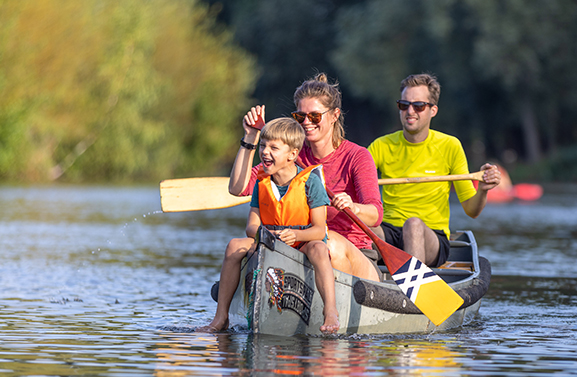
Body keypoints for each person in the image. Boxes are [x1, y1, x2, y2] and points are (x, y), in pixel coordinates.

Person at [229, 73, 383, 282]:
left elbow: (376, 215)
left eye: (315, 116)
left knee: (330, 244)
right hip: (303, 249)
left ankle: (333, 313)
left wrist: (353, 207)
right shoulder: (292, 156)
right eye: (301, 117)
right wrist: (249, 138)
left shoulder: (357, 156)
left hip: (353, 253)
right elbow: (239, 188)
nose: (307, 123)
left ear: (334, 115)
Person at [198, 117, 340, 334]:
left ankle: (330, 312)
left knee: (319, 248)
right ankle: (220, 318)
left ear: (292, 154)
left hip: (301, 244)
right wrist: (269, 234)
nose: (265, 151)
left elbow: (319, 230)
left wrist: (294, 235)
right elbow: (251, 226)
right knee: (234, 245)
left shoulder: (311, 181)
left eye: (274, 147)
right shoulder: (262, 182)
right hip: (269, 241)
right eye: (263, 146)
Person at [368, 73, 501, 267]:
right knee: (360, 227)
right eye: (404, 105)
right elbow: (352, 180)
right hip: (389, 231)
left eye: (418, 106)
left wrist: (482, 189)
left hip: (430, 237)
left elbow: (472, 211)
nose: (410, 111)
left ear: (433, 110)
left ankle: (415, 291)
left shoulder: (450, 146)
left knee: (413, 225)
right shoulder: (381, 146)